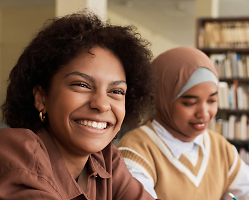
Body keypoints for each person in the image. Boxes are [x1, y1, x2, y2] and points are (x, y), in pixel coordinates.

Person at [0, 12, 156, 200]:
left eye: (116, 91)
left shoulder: (105, 160)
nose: (102, 104)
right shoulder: (15, 151)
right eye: (82, 85)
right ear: (41, 97)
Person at [117, 46, 249, 200]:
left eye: (212, 100)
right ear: (162, 99)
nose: (204, 113)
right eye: (190, 103)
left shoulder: (220, 147)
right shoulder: (135, 149)